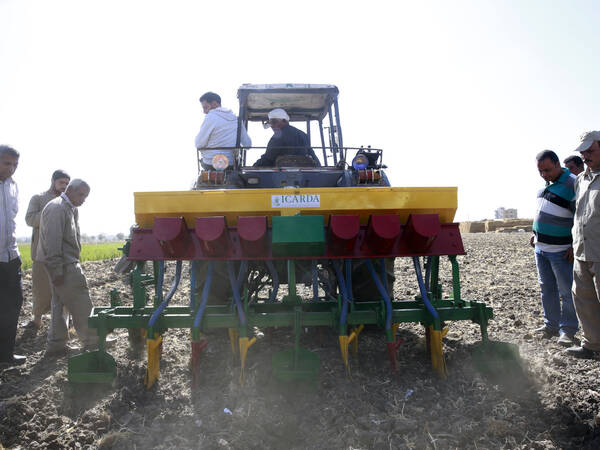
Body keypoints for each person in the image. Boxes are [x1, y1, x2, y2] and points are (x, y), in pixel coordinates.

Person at [38, 179, 99, 356]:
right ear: (70, 190)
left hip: (63, 263)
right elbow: (52, 241)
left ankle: (56, 345)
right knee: (81, 301)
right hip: (64, 265)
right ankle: (93, 340)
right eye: (81, 194)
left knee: (59, 305)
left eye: (85, 196)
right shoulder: (57, 208)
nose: (83, 199)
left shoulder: (69, 208)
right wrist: (56, 270)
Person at [530, 150, 579, 345]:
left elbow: (580, 217)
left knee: (566, 291)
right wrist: (535, 233)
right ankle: (551, 325)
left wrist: (575, 246)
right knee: (546, 289)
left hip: (561, 250)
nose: (544, 175)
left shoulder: (573, 183)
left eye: (547, 170)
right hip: (541, 249)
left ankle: (567, 330)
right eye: (540, 171)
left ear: (558, 164)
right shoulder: (546, 186)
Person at [23, 170, 71, 330]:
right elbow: (29, 219)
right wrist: (49, 216)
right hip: (41, 252)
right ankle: (36, 320)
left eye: (66, 183)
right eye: (61, 183)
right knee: (40, 288)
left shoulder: (68, 202)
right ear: (53, 181)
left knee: (63, 288)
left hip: (62, 253)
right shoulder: (38, 198)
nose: (63, 186)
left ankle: (63, 323)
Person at [567, 130, 600, 357]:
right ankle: (592, 345)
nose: (586, 156)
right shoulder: (581, 179)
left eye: (591, 150)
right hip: (582, 250)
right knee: (584, 301)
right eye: (583, 152)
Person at [0, 145, 26, 365]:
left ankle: (6, 354)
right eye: (7, 163)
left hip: (10, 257)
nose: (12, 168)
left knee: (13, 305)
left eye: (15, 164)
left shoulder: (13, 187)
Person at [195, 91, 251, 169]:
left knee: (202, 162)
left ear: (214, 104)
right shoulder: (237, 120)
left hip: (212, 163)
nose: (204, 112)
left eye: (205, 107)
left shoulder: (211, 117)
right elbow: (248, 144)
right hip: (231, 164)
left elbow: (198, 144)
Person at [253, 108, 321, 167]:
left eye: (274, 122)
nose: (272, 126)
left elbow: (268, 158)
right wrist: (319, 168)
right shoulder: (303, 135)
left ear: (284, 121)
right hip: (305, 175)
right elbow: (312, 154)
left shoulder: (277, 137)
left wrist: (254, 167)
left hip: (281, 175)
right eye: (270, 123)